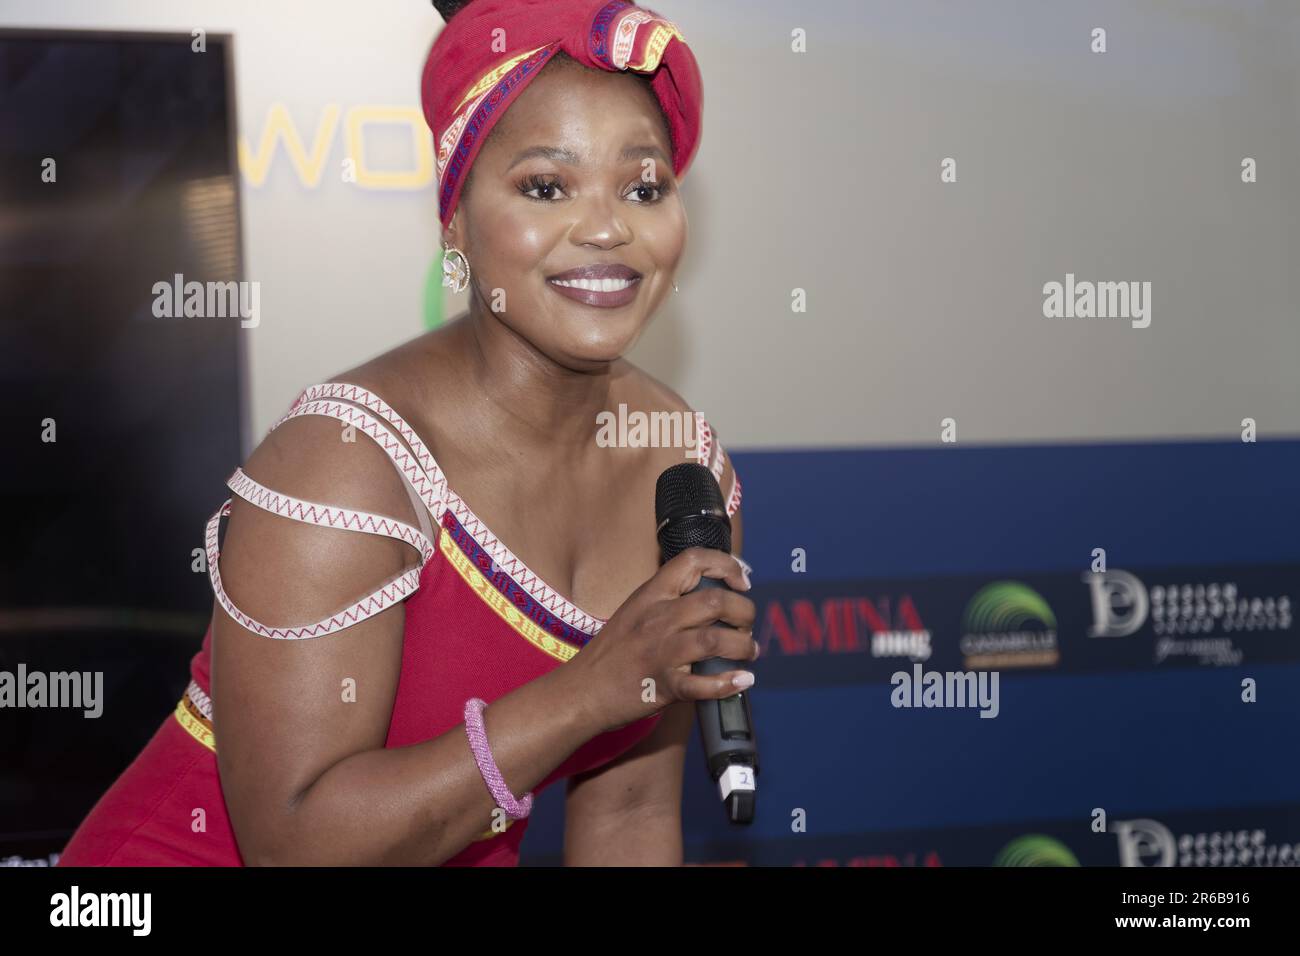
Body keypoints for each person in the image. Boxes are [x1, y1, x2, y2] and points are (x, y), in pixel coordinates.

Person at [56, 0, 753, 867]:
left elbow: (630, 816)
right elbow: (294, 845)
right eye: (546, 186)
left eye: (643, 187)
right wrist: (589, 694)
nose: (609, 228)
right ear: (454, 221)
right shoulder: (346, 464)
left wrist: (610, 694)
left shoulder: (683, 468)